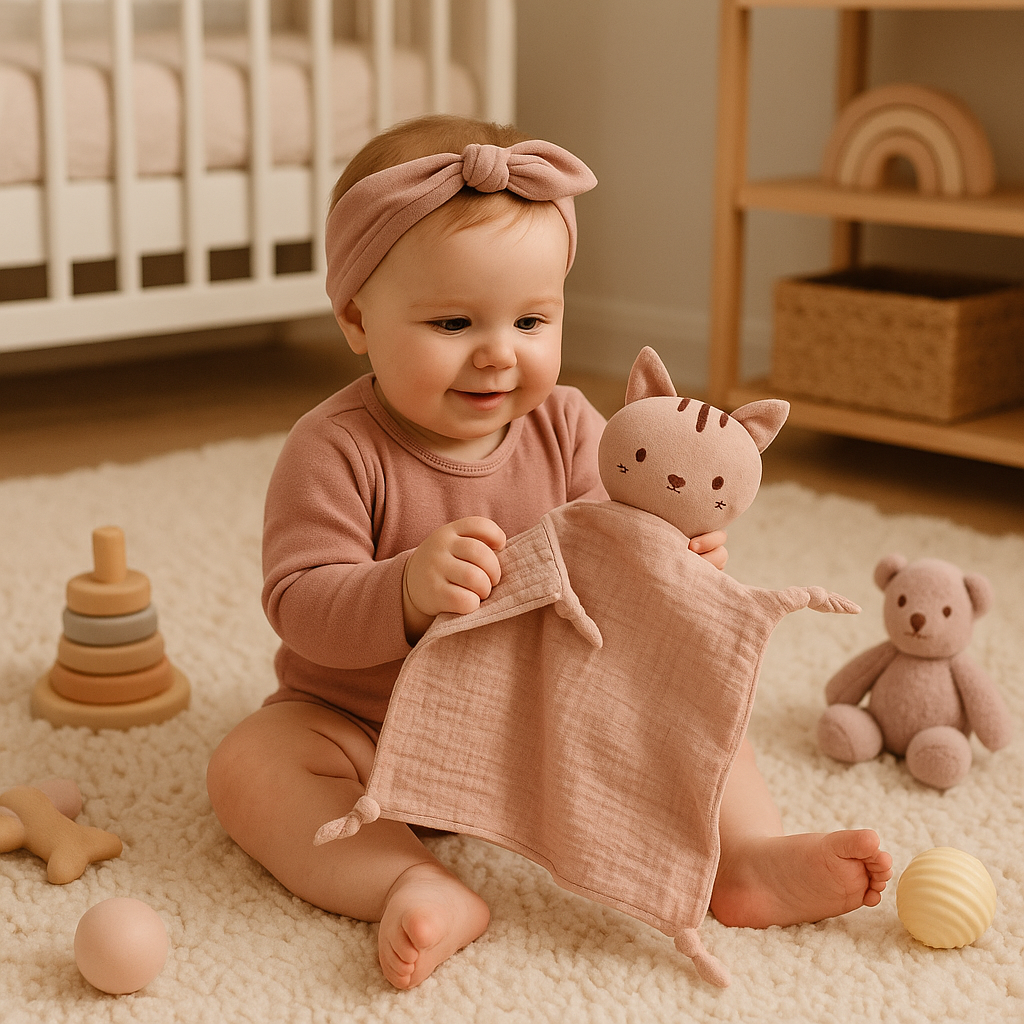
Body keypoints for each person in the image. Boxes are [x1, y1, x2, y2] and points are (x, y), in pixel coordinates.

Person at [207, 114, 892, 991]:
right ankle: (410, 879)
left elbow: (624, 548)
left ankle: (740, 859)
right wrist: (404, 592)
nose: (501, 354)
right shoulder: (334, 449)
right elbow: (298, 602)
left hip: (547, 725)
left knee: (688, 699)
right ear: (356, 318)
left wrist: (677, 560)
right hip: (367, 735)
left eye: (532, 319)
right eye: (454, 321)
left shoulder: (569, 425)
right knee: (251, 765)